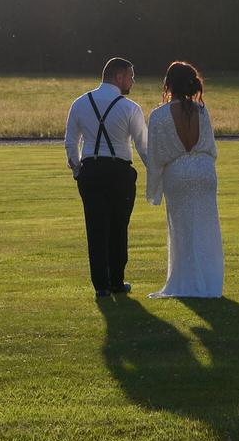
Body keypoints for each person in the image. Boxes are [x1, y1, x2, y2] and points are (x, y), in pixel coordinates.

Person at [64, 57, 149, 298]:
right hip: (119, 170)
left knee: (95, 227)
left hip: (90, 169)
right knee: (119, 226)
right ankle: (116, 281)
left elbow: (71, 142)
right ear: (119, 77)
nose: (132, 81)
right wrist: (156, 172)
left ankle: (100, 284)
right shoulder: (130, 107)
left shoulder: (80, 103)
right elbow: (143, 146)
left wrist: (78, 170)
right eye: (131, 76)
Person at [144, 61, 224, 298]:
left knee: (182, 230)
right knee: (206, 228)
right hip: (204, 170)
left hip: (178, 174)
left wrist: (155, 185)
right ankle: (210, 282)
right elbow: (211, 147)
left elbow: (156, 154)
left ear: (169, 84)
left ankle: (186, 282)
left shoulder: (159, 115)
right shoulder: (202, 111)